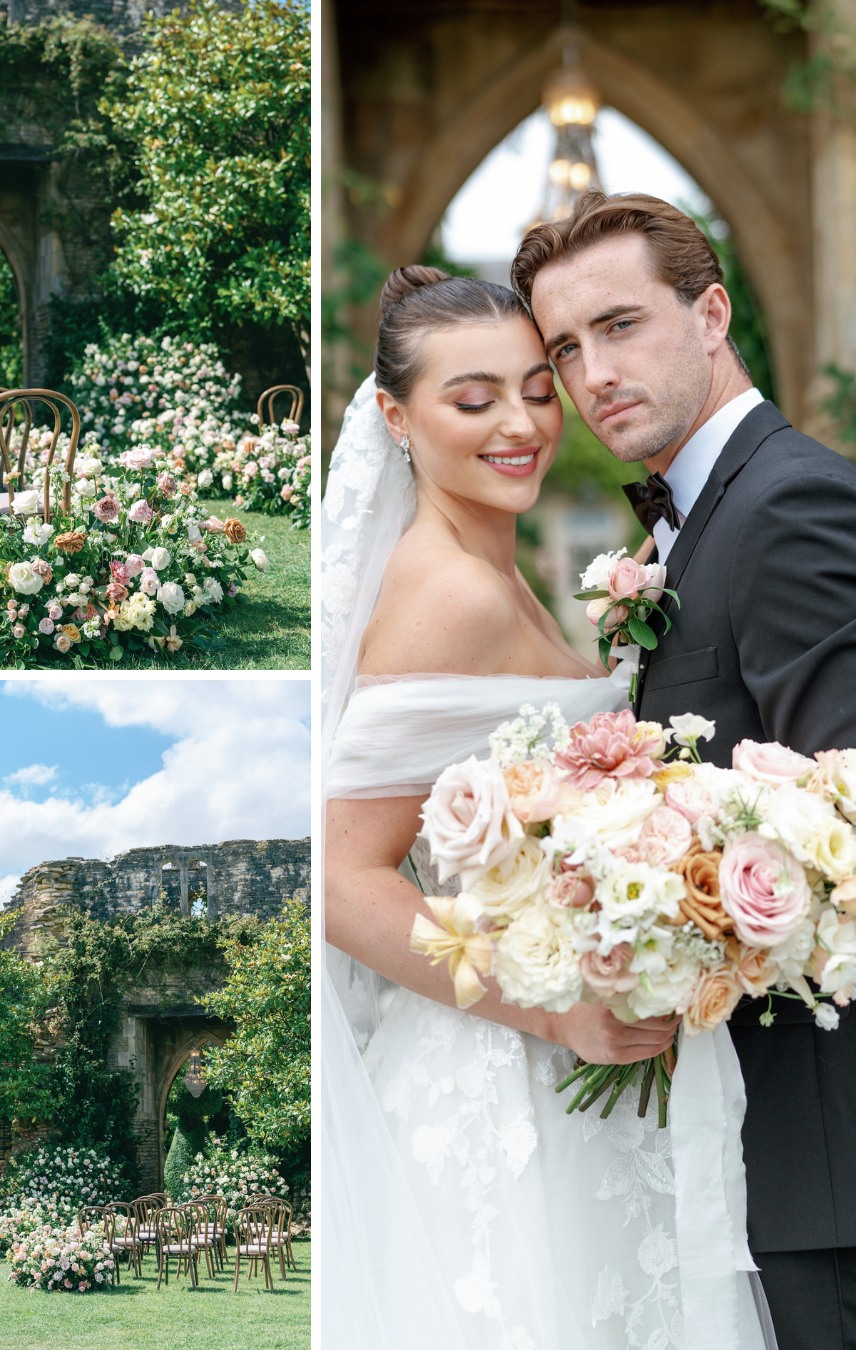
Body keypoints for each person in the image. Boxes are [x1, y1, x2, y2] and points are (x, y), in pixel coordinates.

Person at [322, 264, 774, 1349]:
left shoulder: (504, 571)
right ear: (395, 416)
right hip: (500, 1087)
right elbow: (341, 880)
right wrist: (553, 1013)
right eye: (472, 401)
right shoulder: (451, 594)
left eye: (536, 385)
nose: (522, 424)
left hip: (581, 1061)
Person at [511, 189, 856, 1350]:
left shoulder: (787, 500)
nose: (591, 371)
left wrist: (655, 901)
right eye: (565, 347)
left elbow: (843, 820)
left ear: (711, 313)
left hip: (832, 1150)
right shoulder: (692, 521)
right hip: (760, 1141)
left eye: (621, 326)